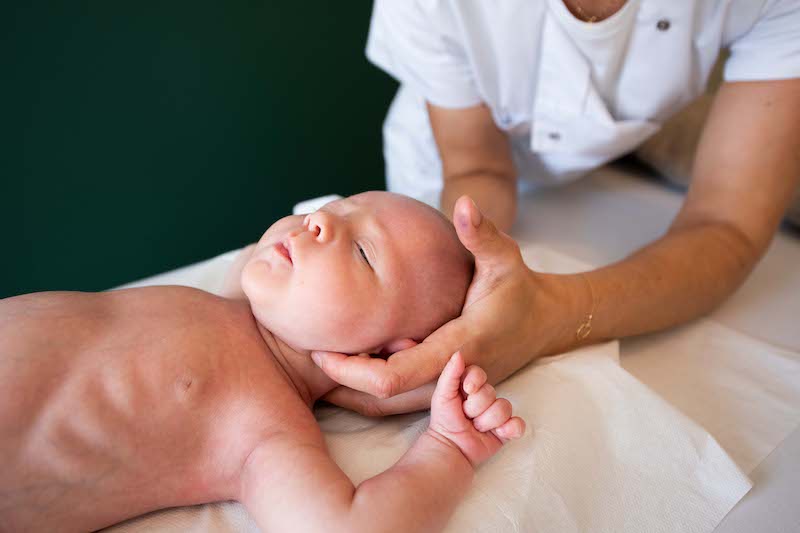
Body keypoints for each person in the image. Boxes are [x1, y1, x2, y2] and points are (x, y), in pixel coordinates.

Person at [310, 0, 800, 415]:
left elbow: (728, 226)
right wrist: (454, 258)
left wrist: (542, 317)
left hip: (578, 187)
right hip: (443, 183)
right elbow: (477, 165)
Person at [0, 191, 524, 533]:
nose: (319, 220)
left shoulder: (265, 429)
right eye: (339, 209)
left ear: (382, 354)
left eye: (364, 252)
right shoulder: (235, 301)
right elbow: (264, 249)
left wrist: (448, 451)